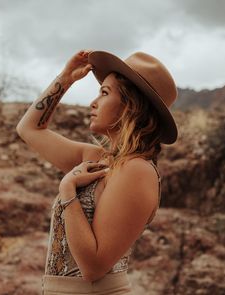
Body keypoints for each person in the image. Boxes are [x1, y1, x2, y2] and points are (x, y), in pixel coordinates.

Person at [16, 49, 178, 294]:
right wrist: (66, 77)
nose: (93, 102)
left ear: (130, 107)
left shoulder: (137, 170)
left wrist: (68, 191)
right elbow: (29, 129)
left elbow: (93, 267)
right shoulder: (96, 159)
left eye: (104, 93)